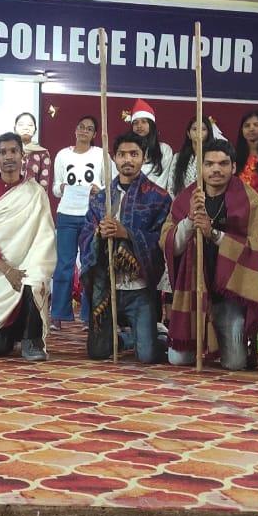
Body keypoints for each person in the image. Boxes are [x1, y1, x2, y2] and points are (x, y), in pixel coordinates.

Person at [162, 138, 258, 370]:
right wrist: (189, 220)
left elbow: (254, 249)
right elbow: (170, 245)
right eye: (209, 164)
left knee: (235, 364)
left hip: (230, 293)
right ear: (201, 168)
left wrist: (214, 234)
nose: (216, 169)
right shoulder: (186, 198)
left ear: (234, 166)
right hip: (193, 290)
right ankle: (162, 337)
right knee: (178, 360)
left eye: (223, 163)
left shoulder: (250, 201)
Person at [79, 133, 170, 363]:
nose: (127, 159)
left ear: (144, 157)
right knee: (98, 352)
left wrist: (126, 233)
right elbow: (85, 235)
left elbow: (162, 240)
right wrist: (98, 233)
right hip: (107, 287)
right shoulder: (101, 198)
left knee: (148, 356)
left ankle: (156, 335)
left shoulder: (159, 198)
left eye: (134, 154)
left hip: (139, 289)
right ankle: (125, 339)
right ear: (114, 158)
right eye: (122, 154)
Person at [0, 132, 56, 361]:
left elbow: (45, 234)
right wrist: (7, 269)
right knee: (0, 348)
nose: (8, 156)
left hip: (30, 261)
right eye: (3, 152)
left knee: (34, 278)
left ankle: (32, 339)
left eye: (13, 151)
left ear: (22, 156)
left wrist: (31, 264)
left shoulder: (36, 192)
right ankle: (13, 330)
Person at [51, 115, 107, 326]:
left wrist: (99, 190)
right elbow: (56, 188)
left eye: (89, 128)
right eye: (81, 127)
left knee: (89, 264)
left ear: (94, 134)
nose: (84, 131)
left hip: (91, 215)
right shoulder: (63, 155)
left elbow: (109, 184)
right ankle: (58, 313)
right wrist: (62, 187)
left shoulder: (100, 154)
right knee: (64, 264)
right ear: (75, 130)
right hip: (66, 214)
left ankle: (88, 314)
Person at [128, 99, 175, 188]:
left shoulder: (164, 149)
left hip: (156, 195)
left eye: (144, 122)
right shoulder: (126, 149)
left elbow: (164, 178)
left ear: (151, 125)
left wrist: (151, 194)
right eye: (135, 123)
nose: (139, 126)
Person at [14, 112, 54, 213]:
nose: (26, 128)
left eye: (30, 125)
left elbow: (44, 184)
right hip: (9, 204)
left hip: (31, 206)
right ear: (15, 128)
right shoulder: (7, 151)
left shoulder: (42, 153)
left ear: (35, 130)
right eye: (21, 124)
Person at [168, 116, 213, 198]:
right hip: (180, 202)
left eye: (203, 129)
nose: (198, 132)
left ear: (208, 133)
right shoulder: (177, 157)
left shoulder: (213, 158)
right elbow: (171, 186)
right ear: (188, 134)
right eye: (195, 129)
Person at [234, 109, 258, 196]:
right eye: (247, 126)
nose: (251, 128)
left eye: (256, 125)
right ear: (242, 130)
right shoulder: (234, 155)